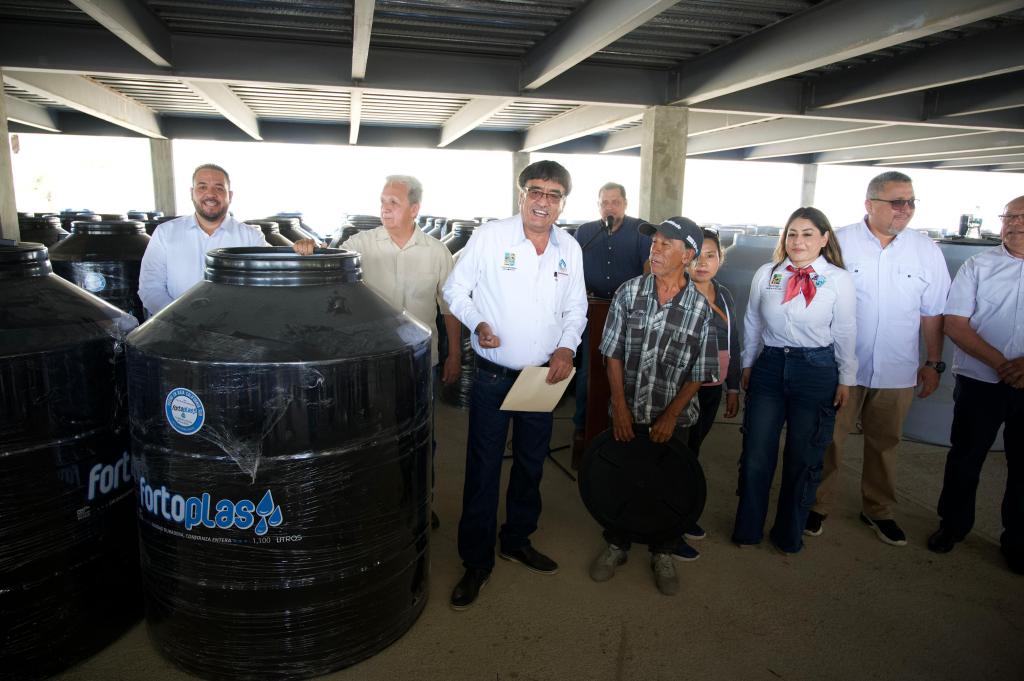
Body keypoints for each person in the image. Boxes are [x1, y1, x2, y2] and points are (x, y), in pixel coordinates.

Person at [442, 160, 586, 610]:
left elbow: (576, 308)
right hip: (493, 376)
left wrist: (567, 347)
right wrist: (478, 322)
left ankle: (517, 539)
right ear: (521, 195)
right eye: (536, 191)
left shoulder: (569, 248)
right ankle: (476, 561)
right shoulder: (491, 237)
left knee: (530, 463)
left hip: (542, 376)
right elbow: (454, 290)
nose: (544, 202)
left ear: (563, 203)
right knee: (483, 468)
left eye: (554, 195)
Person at [805, 171, 951, 546]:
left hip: (897, 369)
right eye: (897, 201)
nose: (906, 209)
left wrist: (933, 362)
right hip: (841, 368)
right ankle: (816, 505)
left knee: (885, 444)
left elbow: (932, 313)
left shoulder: (926, 251)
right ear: (869, 204)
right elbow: (814, 299)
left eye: (911, 201)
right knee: (828, 439)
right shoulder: (838, 243)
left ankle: (878, 509)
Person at [588, 217, 718, 596]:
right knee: (621, 478)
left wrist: (671, 415)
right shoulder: (629, 293)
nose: (655, 250)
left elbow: (701, 371)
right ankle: (617, 544)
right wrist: (619, 406)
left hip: (673, 419)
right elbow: (612, 352)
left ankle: (663, 551)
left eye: (665, 244)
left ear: (687, 255)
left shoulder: (700, 308)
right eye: (654, 242)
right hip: (628, 410)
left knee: (669, 486)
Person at [732, 207, 857, 554]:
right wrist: (748, 363)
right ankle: (748, 529)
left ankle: (788, 534)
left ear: (824, 239)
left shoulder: (837, 279)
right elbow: (753, 320)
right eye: (792, 234)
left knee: (803, 457)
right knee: (756, 454)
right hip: (770, 366)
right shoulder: (768, 273)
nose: (798, 241)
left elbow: (845, 330)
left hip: (816, 370)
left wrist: (846, 377)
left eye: (807, 234)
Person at [342, 175, 461, 529]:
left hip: (421, 362)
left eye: (393, 202)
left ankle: (420, 501)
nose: (384, 208)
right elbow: (328, 263)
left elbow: (449, 308)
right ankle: (375, 505)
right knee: (372, 435)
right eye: (382, 201)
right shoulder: (360, 245)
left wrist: (454, 354)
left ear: (414, 209)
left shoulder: (436, 252)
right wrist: (307, 248)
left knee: (421, 435)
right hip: (372, 364)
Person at [926, 195, 1024, 575]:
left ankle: (1017, 540)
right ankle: (952, 525)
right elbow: (955, 324)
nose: (1013, 224)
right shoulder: (977, 266)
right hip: (980, 381)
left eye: (1022, 217)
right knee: (965, 457)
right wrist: (1002, 365)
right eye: (1009, 217)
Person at [139, 163, 316, 315]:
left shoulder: (251, 237)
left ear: (230, 196)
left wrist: (302, 251)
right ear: (192, 193)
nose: (210, 194)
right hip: (174, 329)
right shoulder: (165, 233)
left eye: (219, 188)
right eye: (202, 187)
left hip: (233, 330)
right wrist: (178, 317)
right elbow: (150, 287)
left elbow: (272, 279)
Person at [571, 183, 651, 458]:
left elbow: (649, 271)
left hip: (629, 312)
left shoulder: (640, 231)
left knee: (627, 371)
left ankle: (626, 424)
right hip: (593, 311)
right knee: (587, 370)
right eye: (604, 202)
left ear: (625, 204)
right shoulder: (586, 232)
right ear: (598, 206)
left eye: (615, 202)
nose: (610, 207)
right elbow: (572, 269)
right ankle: (583, 426)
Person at [683, 228, 741, 541]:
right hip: (680, 387)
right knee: (679, 451)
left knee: (693, 448)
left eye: (710, 255)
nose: (702, 263)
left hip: (712, 387)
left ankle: (679, 511)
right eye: (696, 256)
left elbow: (734, 342)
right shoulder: (675, 292)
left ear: (721, 259)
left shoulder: (725, 295)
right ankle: (677, 515)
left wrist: (732, 387)